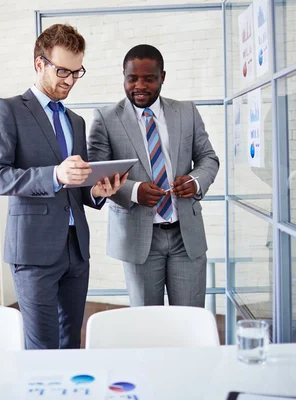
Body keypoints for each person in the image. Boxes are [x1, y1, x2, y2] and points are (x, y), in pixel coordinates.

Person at [0, 24, 125, 349]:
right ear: (39, 64)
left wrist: (95, 191)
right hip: (34, 252)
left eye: (77, 73)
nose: (70, 80)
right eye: (63, 70)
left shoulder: (75, 121)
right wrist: (54, 176)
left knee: (71, 343)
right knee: (43, 348)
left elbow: (75, 186)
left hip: (76, 249)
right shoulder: (8, 110)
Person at [88, 44, 219, 307]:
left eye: (149, 78)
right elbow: (97, 173)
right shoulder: (106, 118)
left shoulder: (187, 111)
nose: (140, 86)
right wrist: (135, 191)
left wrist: (194, 181)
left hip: (186, 236)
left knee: (190, 319)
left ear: (162, 77)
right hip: (139, 239)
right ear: (123, 77)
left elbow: (208, 158)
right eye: (132, 78)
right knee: (147, 324)